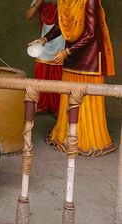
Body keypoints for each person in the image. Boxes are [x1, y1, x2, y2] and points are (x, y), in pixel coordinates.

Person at [32, 0, 116, 156]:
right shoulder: (64, 2)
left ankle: (89, 138)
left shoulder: (89, 1)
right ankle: (66, 134)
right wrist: (43, 40)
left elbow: (91, 33)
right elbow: (60, 25)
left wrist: (66, 52)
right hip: (70, 56)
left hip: (89, 59)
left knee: (86, 99)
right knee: (69, 95)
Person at [26, 0, 65, 113]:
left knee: (58, 77)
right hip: (43, 44)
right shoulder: (40, 2)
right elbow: (28, 16)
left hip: (61, 44)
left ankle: (57, 107)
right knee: (41, 75)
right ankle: (42, 105)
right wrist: (39, 1)